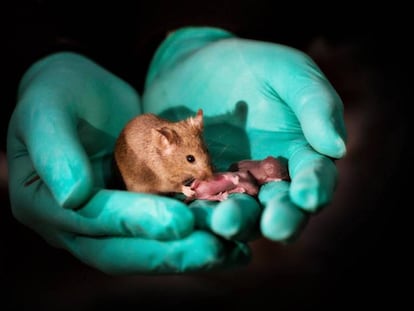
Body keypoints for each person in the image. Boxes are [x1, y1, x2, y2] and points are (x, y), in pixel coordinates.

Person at [6, 25, 346, 275]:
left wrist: (183, 45)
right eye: (191, 160)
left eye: (202, 157)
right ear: (166, 145)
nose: (204, 166)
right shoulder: (162, 156)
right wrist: (53, 53)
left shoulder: (192, 136)